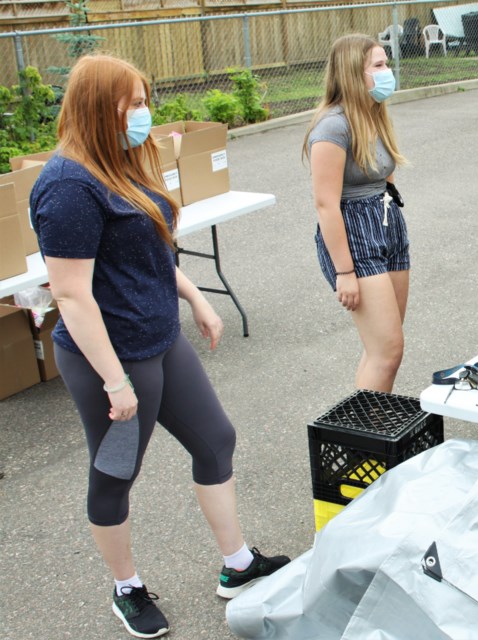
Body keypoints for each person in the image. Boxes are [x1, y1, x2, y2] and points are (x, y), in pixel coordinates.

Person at [30, 53, 289, 639]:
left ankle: (238, 564)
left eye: (147, 100)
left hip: (160, 338)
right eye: (135, 103)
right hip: (111, 357)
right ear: (100, 107)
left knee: (215, 439)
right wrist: (115, 383)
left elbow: (150, 251)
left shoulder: (123, 162)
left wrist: (196, 297)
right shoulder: (68, 186)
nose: (146, 114)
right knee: (117, 473)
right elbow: (71, 295)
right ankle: (126, 589)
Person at [303, 34, 409, 393]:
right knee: (387, 351)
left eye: (386, 63)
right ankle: (364, 445)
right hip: (354, 233)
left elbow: (382, 172)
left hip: (386, 221)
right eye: (378, 66)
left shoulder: (373, 113)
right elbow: (325, 204)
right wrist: (344, 271)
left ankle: (371, 435)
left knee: (385, 348)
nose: (387, 72)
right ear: (352, 73)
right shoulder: (333, 126)